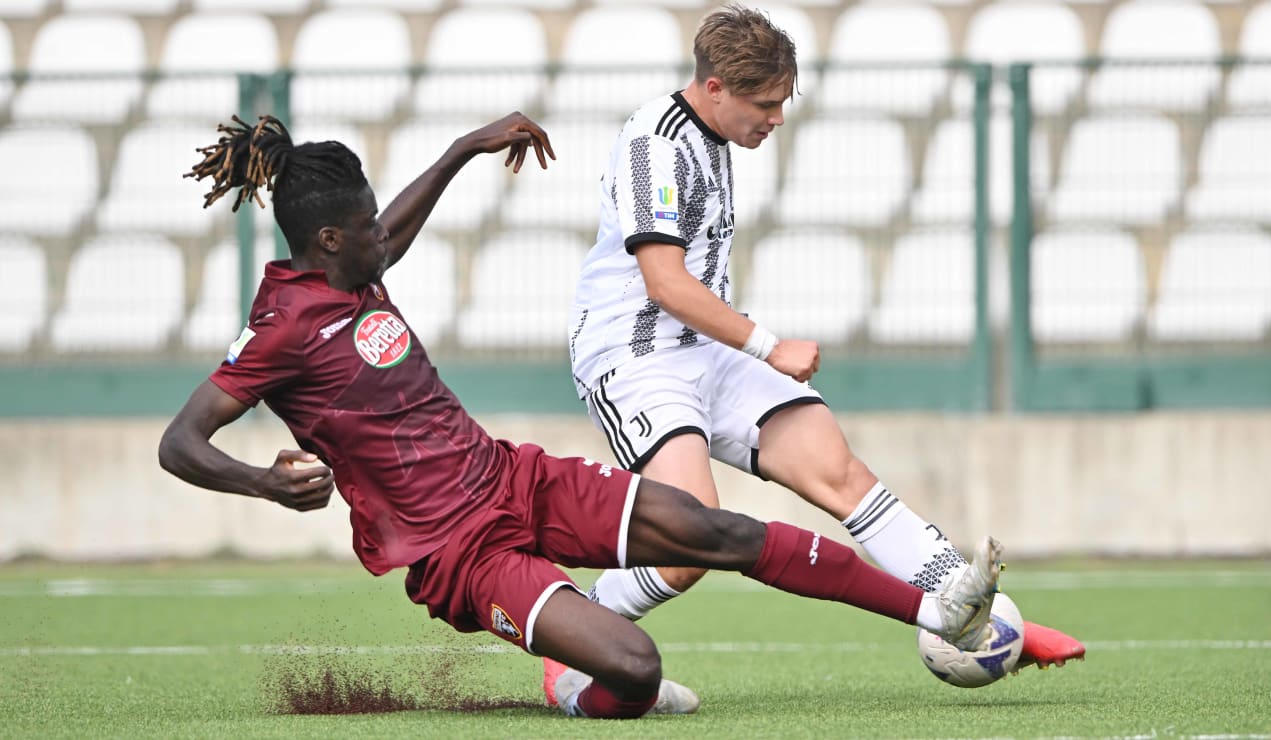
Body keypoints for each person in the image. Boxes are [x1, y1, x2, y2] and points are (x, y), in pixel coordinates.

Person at [158, 112, 1004, 719]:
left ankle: (933, 611)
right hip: (460, 551)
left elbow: (393, 230)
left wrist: (462, 150)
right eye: (364, 227)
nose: (382, 234)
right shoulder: (282, 328)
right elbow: (181, 443)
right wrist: (263, 486)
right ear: (330, 242)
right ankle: (582, 689)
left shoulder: (351, 268)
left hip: (512, 477)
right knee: (635, 669)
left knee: (715, 531)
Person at [560, 3, 1084, 705]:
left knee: (838, 468)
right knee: (688, 545)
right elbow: (664, 283)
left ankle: (972, 616)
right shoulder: (655, 144)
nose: (776, 119)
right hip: (634, 354)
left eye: (781, 102)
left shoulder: (715, 136)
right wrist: (769, 346)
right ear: (715, 88)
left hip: (705, 348)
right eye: (765, 104)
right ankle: (573, 626)